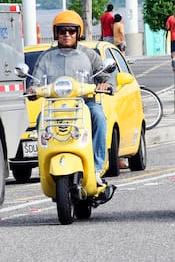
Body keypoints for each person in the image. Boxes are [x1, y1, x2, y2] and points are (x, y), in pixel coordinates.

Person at [30, 10, 113, 185]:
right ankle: (44, 162)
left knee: (98, 116)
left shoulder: (89, 54)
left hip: (84, 104)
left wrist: (104, 84)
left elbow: (105, 76)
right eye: (62, 31)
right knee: (40, 120)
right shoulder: (46, 57)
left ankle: (97, 167)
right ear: (56, 33)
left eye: (71, 31)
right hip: (55, 106)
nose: (66, 34)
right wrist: (32, 89)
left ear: (79, 32)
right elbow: (36, 80)